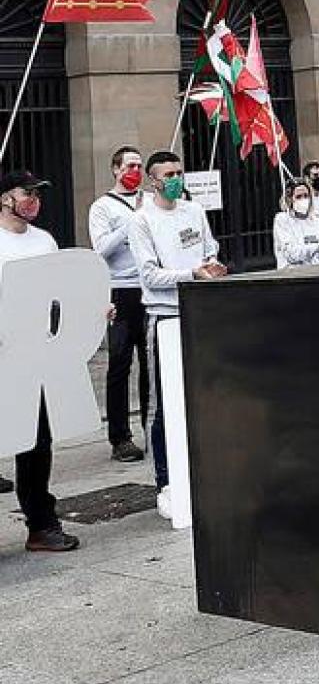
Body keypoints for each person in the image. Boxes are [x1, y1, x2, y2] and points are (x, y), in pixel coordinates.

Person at [129, 151, 225, 521]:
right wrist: (192, 273)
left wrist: (210, 267)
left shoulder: (193, 211)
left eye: (179, 172)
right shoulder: (142, 221)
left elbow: (209, 248)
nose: (175, 178)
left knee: (206, 394)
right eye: (168, 174)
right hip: (165, 316)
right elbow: (150, 275)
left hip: (200, 310)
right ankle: (165, 480)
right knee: (165, 403)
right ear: (154, 180)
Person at [1, 170, 81, 551]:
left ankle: (41, 524)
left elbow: (59, 294)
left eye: (37, 193)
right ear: (5, 198)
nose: (33, 200)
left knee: (36, 442)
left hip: (36, 355)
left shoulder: (45, 241)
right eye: (26, 193)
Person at [88, 146, 148, 463]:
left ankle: (151, 428)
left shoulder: (149, 202)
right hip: (119, 291)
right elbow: (101, 249)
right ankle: (120, 437)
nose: (135, 171)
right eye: (129, 165)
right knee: (120, 364)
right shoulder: (103, 207)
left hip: (148, 288)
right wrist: (132, 222)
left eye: (139, 165)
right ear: (115, 169)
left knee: (151, 363)